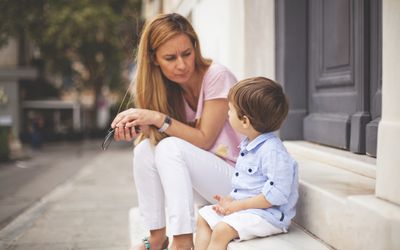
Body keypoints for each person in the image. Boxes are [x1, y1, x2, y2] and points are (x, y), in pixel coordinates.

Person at [110, 13, 242, 250]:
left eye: (187, 54)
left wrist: (157, 119)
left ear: (195, 47)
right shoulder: (165, 90)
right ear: (154, 59)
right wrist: (141, 130)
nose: (181, 65)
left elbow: (204, 139)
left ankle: (182, 241)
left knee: (169, 146)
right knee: (144, 150)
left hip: (238, 182)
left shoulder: (217, 76)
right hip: (203, 183)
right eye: (170, 58)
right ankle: (157, 237)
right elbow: (156, 151)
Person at [194, 77, 299, 250]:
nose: (228, 114)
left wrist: (238, 206)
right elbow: (248, 186)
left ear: (245, 121)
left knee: (221, 230)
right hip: (248, 210)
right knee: (204, 217)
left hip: (268, 216)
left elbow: (277, 195)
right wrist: (229, 200)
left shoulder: (272, 151)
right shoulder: (249, 144)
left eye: (230, 110)